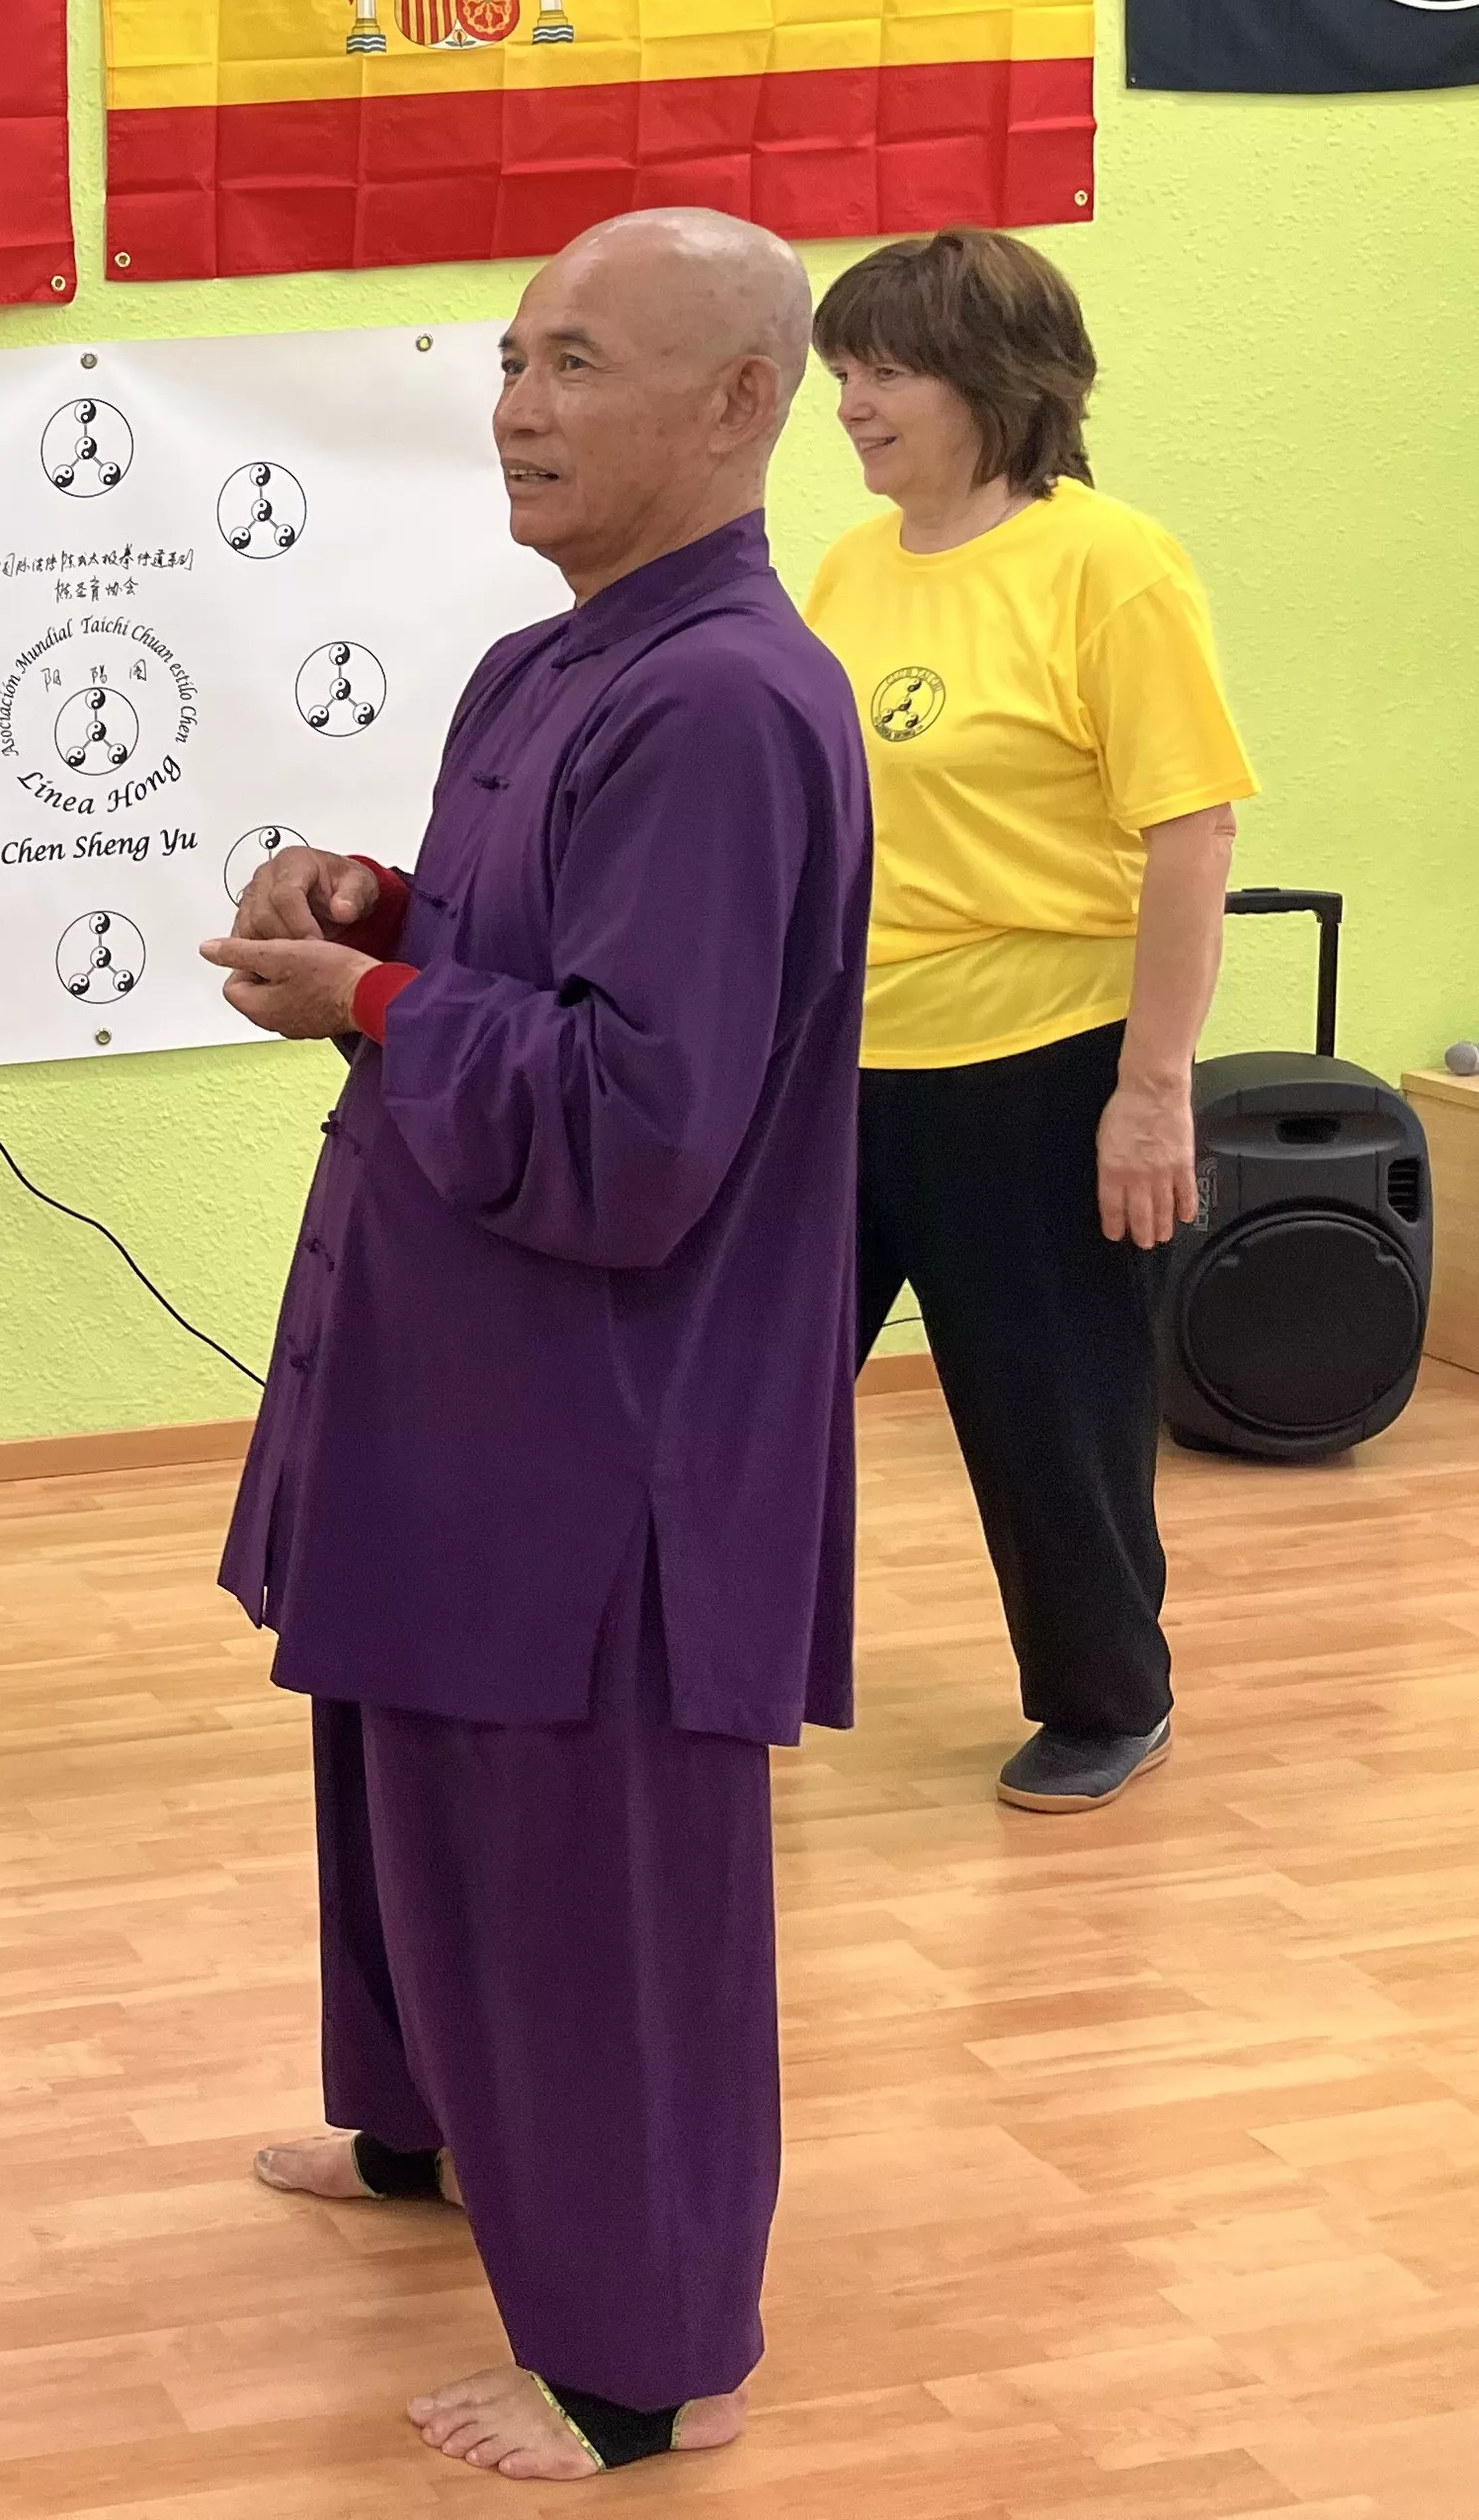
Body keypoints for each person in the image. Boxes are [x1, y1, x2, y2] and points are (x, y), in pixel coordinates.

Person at [196, 209, 869, 2483]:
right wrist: (374, 910)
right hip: (460, 1375)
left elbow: (641, 1118)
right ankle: (428, 2132)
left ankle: (642, 2360)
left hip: (606, 1427)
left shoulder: (723, 700)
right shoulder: (544, 668)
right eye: (509, 358)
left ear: (742, 402)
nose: (515, 407)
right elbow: (522, 959)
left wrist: (376, 995)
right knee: (408, 1776)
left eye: (578, 363)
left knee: (595, 1884)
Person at [806, 228, 1254, 1813]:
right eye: (841, 370)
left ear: (992, 381)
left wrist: (1151, 1091)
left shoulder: (1107, 564)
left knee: (1042, 1410)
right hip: (843, 1064)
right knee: (750, 1392)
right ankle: (732, 1672)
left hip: (1039, 1064)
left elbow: (1190, 831)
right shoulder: (849, 568)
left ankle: (1102, 1701)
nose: (849, 404)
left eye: (884, 371)